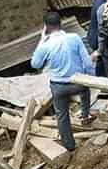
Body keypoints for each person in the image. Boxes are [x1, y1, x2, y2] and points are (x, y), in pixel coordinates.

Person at [31, 12, 95, 152]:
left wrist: (42, 40)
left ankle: (69, 145)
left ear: (46, 27)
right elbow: (87, 62)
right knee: (85, 90)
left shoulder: (45, 45)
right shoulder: (74, 38)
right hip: (78, 82)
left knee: (62, 115)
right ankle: (85, 115)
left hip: (58, 86)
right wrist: (91, 78)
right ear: (61, 23)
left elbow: (35, 64)